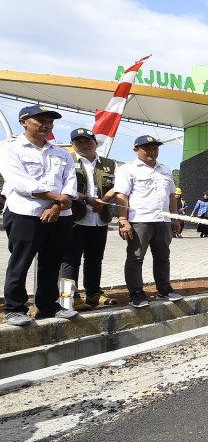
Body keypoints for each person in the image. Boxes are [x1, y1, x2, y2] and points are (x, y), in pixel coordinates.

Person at [0, 105, 77, 325]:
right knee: (20, 261)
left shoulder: (61, 153)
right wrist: (58, 198)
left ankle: (48, 306)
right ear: (23, 122)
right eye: (40, 120)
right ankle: (14, 308)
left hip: (60, 214)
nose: (47, 125)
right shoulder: (9, 148)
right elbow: (20, 182)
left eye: (50, 122)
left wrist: (57, 205)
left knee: (52, 262)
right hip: (25, 213)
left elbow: (70, 181)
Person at [114, 135, 182, 308]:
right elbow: (121, 195)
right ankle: (136, 293)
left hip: (163, 221)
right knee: (136, 257)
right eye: (147, 148)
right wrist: (123, 220)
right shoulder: (127, 169)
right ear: (136, 150)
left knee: (163, 257)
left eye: (155, 148)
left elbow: (171, 196)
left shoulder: (165, 169)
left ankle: (164, 289)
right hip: (140, 221)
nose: (152, 152)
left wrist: (174, 218)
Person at [60, 128, 118, 309]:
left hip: (99, 218)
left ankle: (93, 293)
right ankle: (68, 298)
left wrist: (104, 200)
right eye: (79, 142)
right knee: (70, 259)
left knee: (95, 258)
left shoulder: (109, 163)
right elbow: (63, 186)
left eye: (88, 141)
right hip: (74, 218)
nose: (84, 145)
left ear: (95, 143)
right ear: (72, 144)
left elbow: (117, 185)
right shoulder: (66, 160)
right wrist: (86, 199)